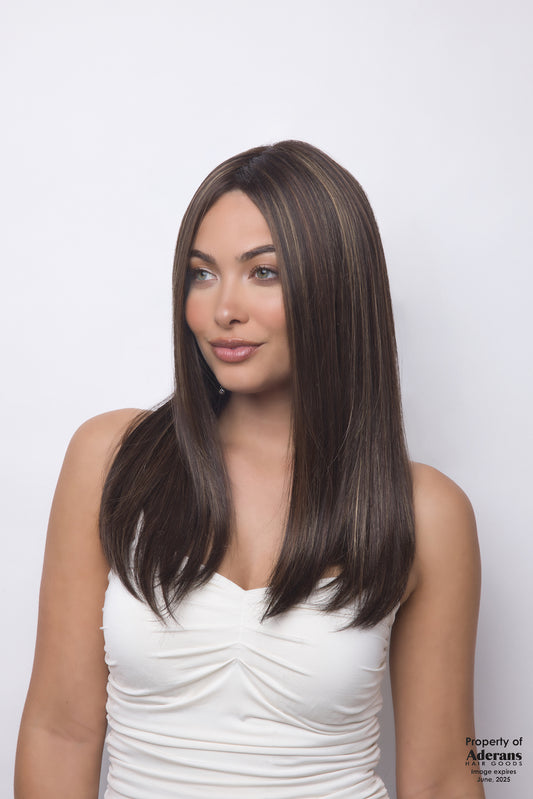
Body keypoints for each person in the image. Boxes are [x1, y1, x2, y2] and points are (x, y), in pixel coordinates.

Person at [15, 140, 484, 799]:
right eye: (202, 274)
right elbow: (60, 730)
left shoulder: (426, 512)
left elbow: (442, 778)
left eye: (263, 272)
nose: (221, 310)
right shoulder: (111, 458)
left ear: (333, 286)